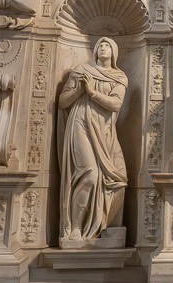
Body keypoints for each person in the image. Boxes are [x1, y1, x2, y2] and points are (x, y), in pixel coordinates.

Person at [59, 37, 129, 244]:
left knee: (118, 179)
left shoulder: (119, 77)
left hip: (105, 130)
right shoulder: (82, 70)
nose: (103, 48)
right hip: (80, 123)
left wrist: (91, 92)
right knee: (90, 174)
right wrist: (79, 90)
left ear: (114, 52)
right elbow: (63, 102)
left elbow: (115, 104)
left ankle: (100, 229)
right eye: (100, 45)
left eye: (107, 45)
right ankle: (76, 228)